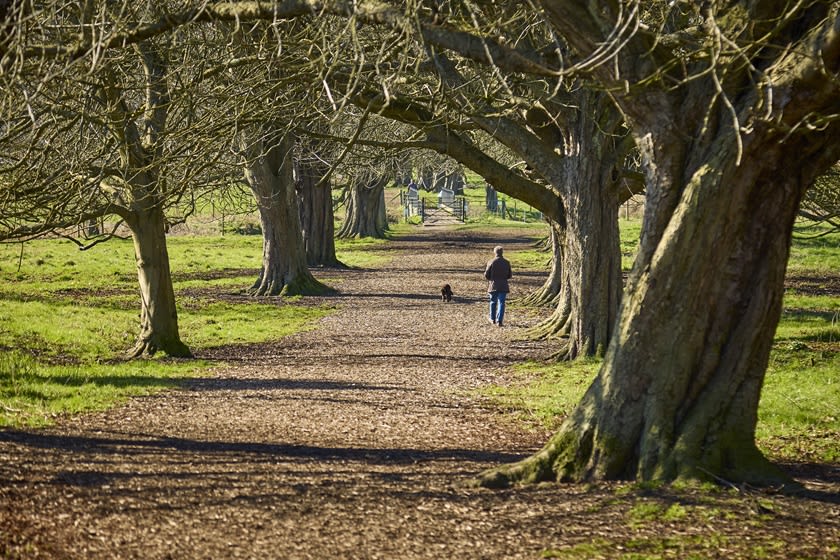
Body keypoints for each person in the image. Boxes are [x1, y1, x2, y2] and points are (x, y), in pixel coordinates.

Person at [484, 245, 512, 326]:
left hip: (493, 285)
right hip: (503, 285)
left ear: (494, 252)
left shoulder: (491, 262)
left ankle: (492, 319)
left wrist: (491, 278)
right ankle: (499, 320)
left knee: (493, 301)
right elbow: (509, 275)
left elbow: (486, 275)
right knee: (502, 302)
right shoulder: (507, 262)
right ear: (502, 252)